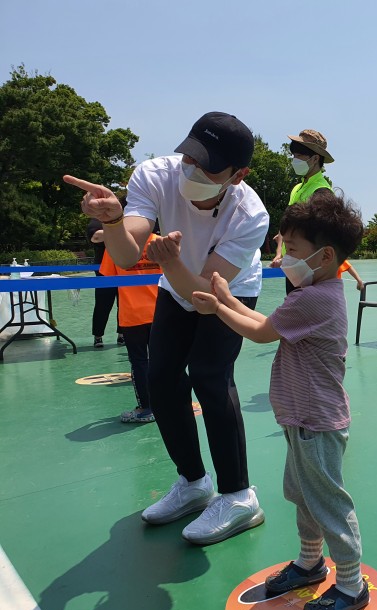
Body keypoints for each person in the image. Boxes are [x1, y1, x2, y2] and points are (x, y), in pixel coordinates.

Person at [64, 111, 270, 545]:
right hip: (176, 285)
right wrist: (114, 221)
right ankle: (194, 482)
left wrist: (171, 262)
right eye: (190, 156)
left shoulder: (250, 214)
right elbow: (126, 255)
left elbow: (205, 295)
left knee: (211, 377)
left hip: (227, 289)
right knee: (160, 378)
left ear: (238, 175)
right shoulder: (154, 175)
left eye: (208, 166)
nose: (191, 169)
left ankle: (239, 496)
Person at [191, 192, 369, 610]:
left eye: (291, 248)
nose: (283, 257)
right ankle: (310, 562)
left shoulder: (314, 298)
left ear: (325, 256)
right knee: (304, 495)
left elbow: (260, 334)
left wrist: (219, 309)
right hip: (301, 418)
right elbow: (268, 324)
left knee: (328, 502)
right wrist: (227, 299)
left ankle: (351, 584)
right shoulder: (315, 291)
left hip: (316, 422)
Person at [98, 232, 161, 423]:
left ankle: (146, 408)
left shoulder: (115, 244)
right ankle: (167, 403)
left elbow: (107, 276)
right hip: (160, 311)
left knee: (139, 361)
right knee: (164, 360)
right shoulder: (159, 242)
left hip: (132, 313)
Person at [271, 129, 334, 298]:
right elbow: (286, 225)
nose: (294, 160)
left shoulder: (322, 191)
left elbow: (320, 237)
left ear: (315, 159)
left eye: (299, 156)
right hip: (292, 265)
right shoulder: (297, 188)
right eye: (294, 155)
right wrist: (279, 253)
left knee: (308, 311)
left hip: (309, 269)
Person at [87, 218, 123, 348]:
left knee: (124, 304)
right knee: (103, 304)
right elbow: (96, 237)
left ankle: (122, 334)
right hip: (103, 270)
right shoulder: (96, 222)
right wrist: (121, 232)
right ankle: (98, 335)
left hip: (124, 268)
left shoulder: (125, 220)